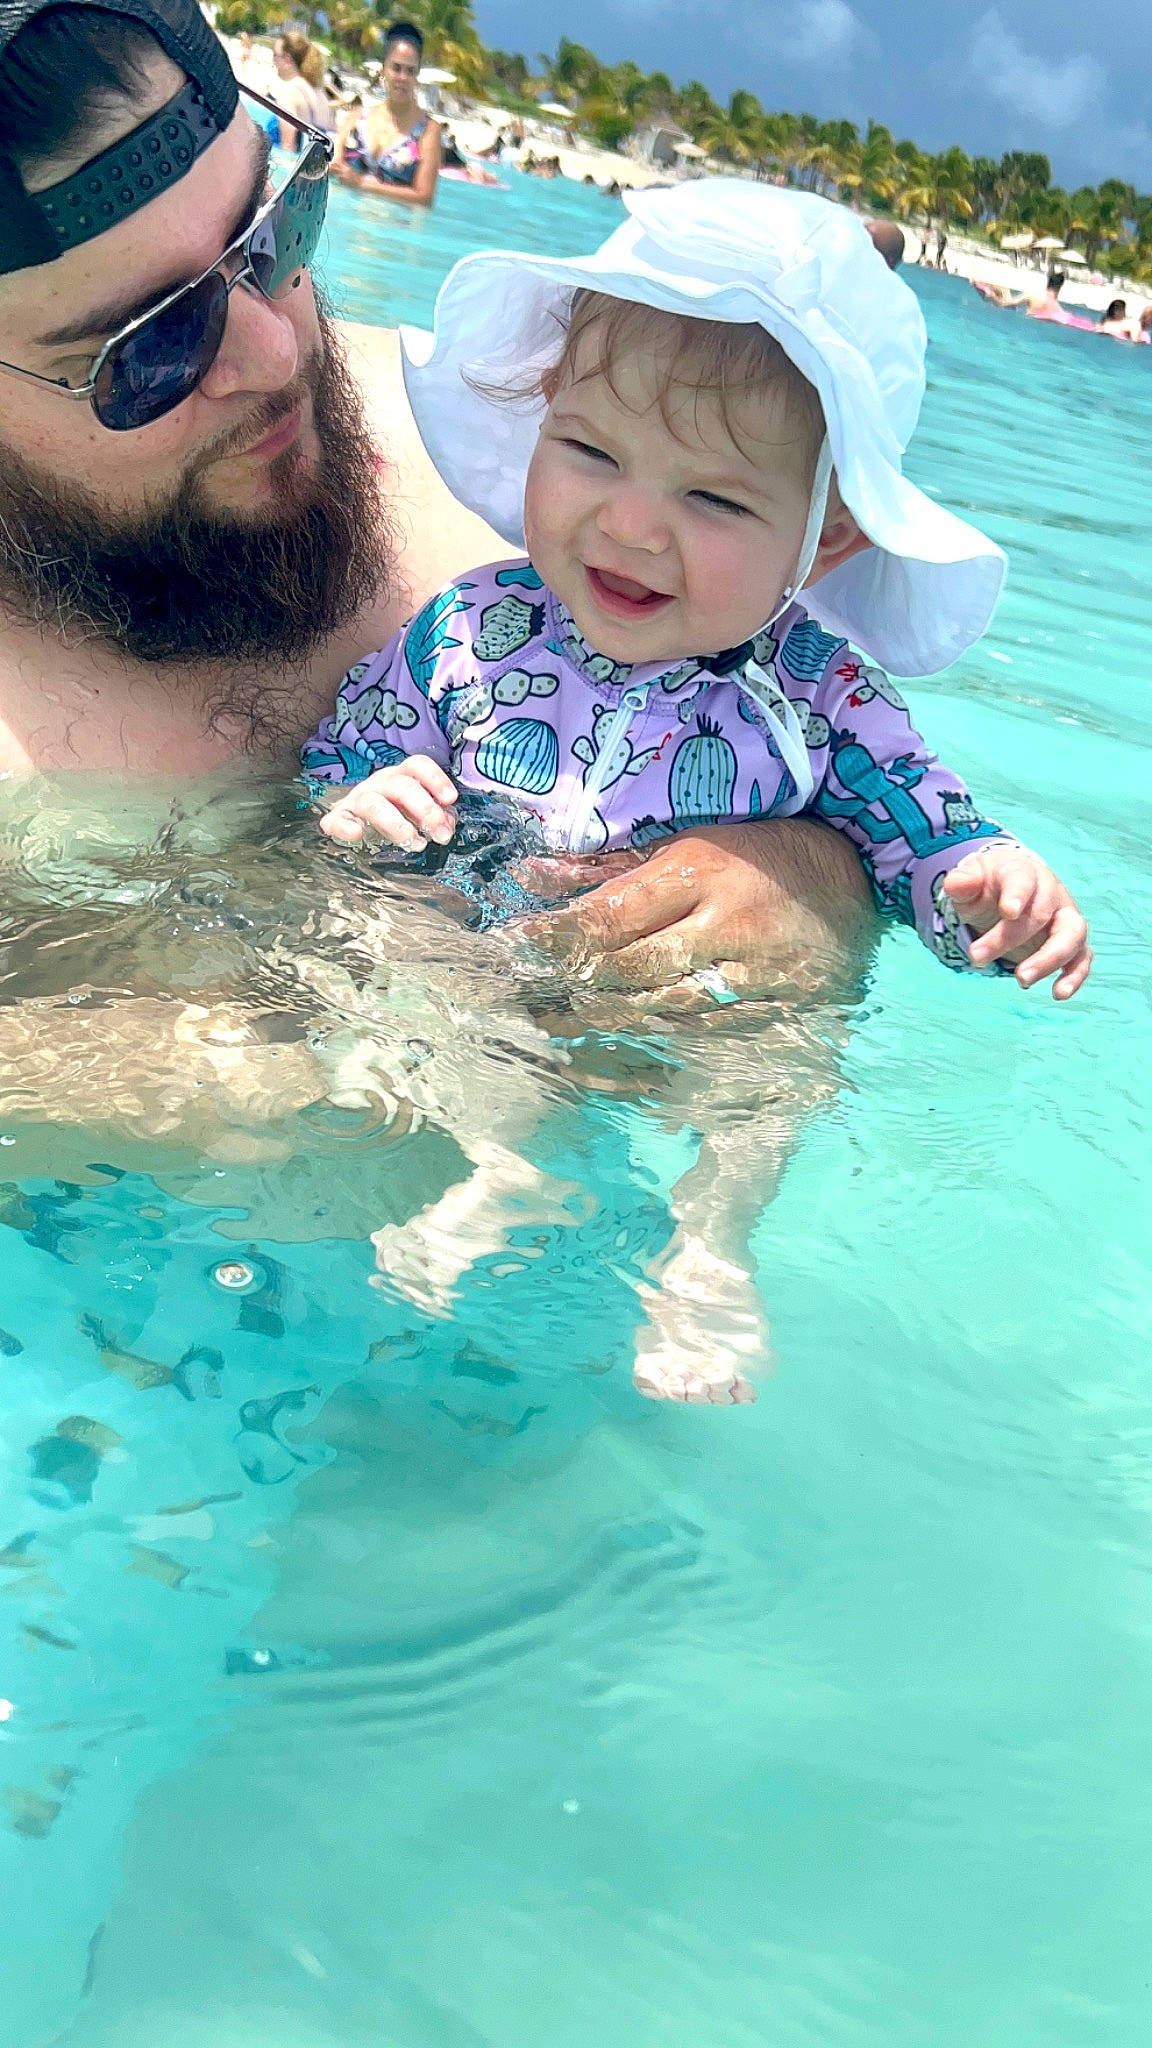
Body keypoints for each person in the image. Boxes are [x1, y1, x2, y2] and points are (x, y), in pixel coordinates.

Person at [0, 0, 890, 1116]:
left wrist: (806, 879)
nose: (279, 354)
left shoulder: (508, 448)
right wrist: (210, 1063)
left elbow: (834, 737)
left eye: (276, 231)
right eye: (152, 346)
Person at [304, 185, 1091, 1399]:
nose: (632, 524)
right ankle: (503, 1163)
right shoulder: (471, 630)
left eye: (714, 498)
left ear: (821, 540)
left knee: (785, 1058)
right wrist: (364, 800)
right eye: (592, 452)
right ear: (540, 422)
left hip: (698, 1018)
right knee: (413, 951)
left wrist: (984, 889)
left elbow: (922, 833)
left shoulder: (826, 695)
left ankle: (710, 1246)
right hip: (509, 963)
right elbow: (348, 750)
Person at [333, 18, 441, 208]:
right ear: (383, 68)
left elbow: (425, 198)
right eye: (396, 68)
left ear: (417, 74)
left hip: (393, 230)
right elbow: (333, 165)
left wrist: (362, 184)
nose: (402, 78)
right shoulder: (356, 117)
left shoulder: (428, 131)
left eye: (410, 71)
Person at [268, 28, 332, 150]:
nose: (273, 61)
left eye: (275, 55)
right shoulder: (318, 92)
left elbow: (288, 148)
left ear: (287, 59)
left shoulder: (289, 93)